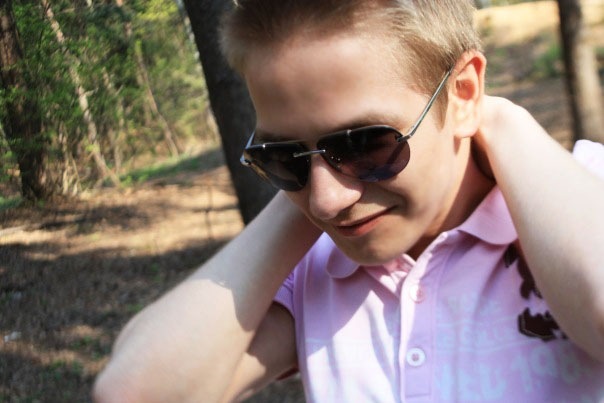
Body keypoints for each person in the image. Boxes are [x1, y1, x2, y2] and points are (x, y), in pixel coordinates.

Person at [93, 0, 604, 401]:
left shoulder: (583, 188)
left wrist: (503, 122)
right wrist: (301, 193)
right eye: (280, 157)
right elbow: (136, 392)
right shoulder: (315, 268)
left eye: (364, 144)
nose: (326, 201)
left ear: (464, 93)